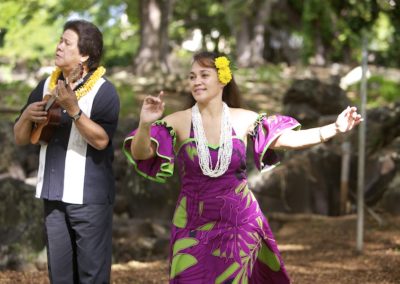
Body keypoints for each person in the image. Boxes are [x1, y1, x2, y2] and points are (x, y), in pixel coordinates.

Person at [123, 51, 362, 283]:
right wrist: (145, 124)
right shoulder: (180, 121)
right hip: (193, 221)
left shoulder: (245, 118)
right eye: (192, 76)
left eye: (204, 75)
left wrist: (334, 129)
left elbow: (288, 140)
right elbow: (141, 153)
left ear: (223, 79)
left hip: (240, 222)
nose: (196, 81)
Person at [14, 20, 120, 283]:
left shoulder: (104, 91)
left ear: (84, 55)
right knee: (60, 276)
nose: (59, 46)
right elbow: (20, 138)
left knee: (92, 275)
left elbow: (101, 141)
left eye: (66, 42)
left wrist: (74, 110)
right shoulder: (45, 86)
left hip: (89, 197)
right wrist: (27, 115)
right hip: (53, 194)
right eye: (60, 40)